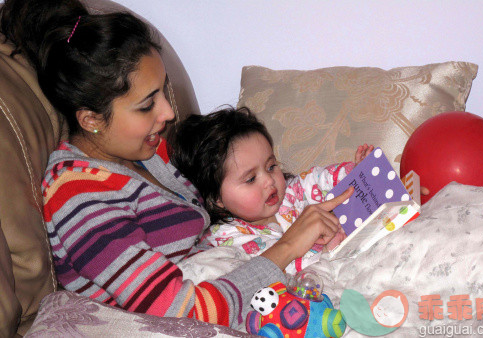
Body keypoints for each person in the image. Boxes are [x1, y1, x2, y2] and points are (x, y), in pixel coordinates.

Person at [0, 0, 353, 329]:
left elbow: (240, 175)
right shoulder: (80, 197)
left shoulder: (151, 151)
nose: (169, 113)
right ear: (91, 119)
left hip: (239, 283)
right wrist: (289, 246)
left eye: (163, 92)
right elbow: (185, 315)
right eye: (147, 105)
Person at [171, 107, 373, 274]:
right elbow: (274, 269)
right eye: (251, 179)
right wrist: (325, 250)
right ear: (217, 199)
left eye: (271, 166)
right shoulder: (226, 238)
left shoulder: (289, 193)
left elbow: (317, 180)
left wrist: (353, 174)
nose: (269, 180)